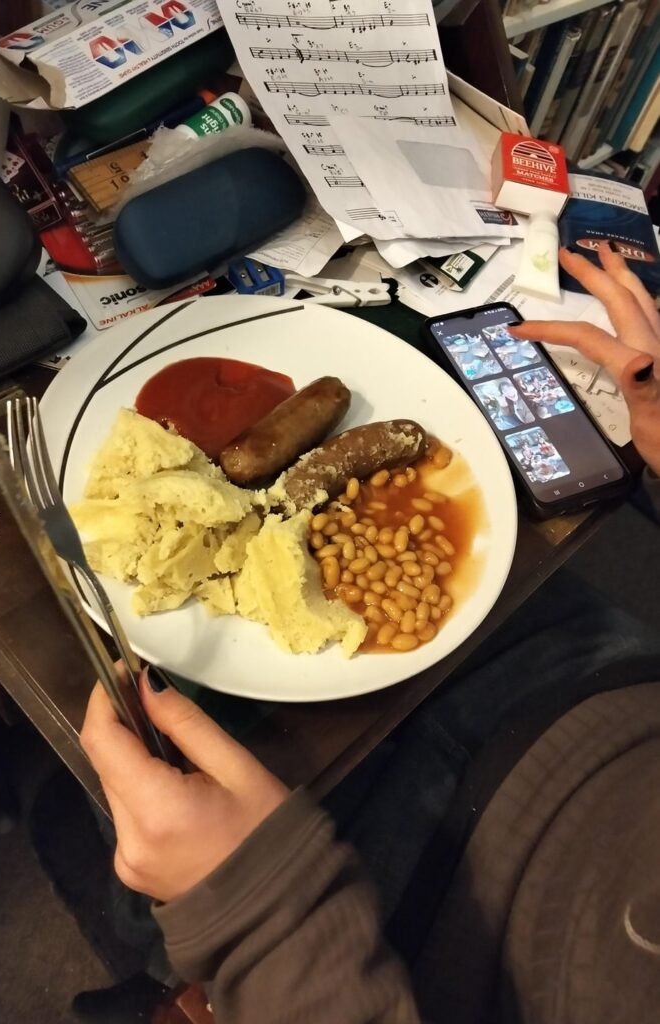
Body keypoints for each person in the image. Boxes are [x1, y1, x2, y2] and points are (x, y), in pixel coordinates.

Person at [79, 243, 660, 1024]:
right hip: (604, 684)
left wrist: (259, 919)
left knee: (127, 804)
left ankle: (175, 991)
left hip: (455, 909)